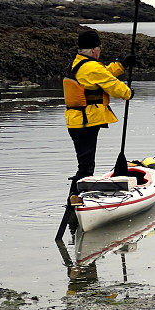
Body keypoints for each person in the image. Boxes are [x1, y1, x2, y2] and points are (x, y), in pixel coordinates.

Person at [64, 30, 134, 207]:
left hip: (78, 121)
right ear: (95, 50)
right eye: (99, 48)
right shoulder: (91, 67)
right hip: (84, 122)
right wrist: (128, 93)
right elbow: (111, 85)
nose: (100, 51)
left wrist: (121, 66)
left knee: (86, 163)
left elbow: (103, 74)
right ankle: (74, 199)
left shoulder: (81, 63)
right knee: (86, 166)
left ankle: (77, 199)